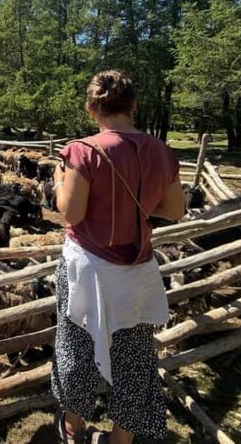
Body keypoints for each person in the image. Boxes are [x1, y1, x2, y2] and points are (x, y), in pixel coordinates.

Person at [52, 70, 184, 444]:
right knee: (134, 359)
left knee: (75, 349)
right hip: (138, 269)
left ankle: (73, 430)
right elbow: (174, 210)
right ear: (134, 106)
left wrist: (59, 181)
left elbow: (72, 213)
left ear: (92, 108)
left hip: (88, 269)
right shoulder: (161, 150)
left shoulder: (81, 150)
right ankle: (120, 440)